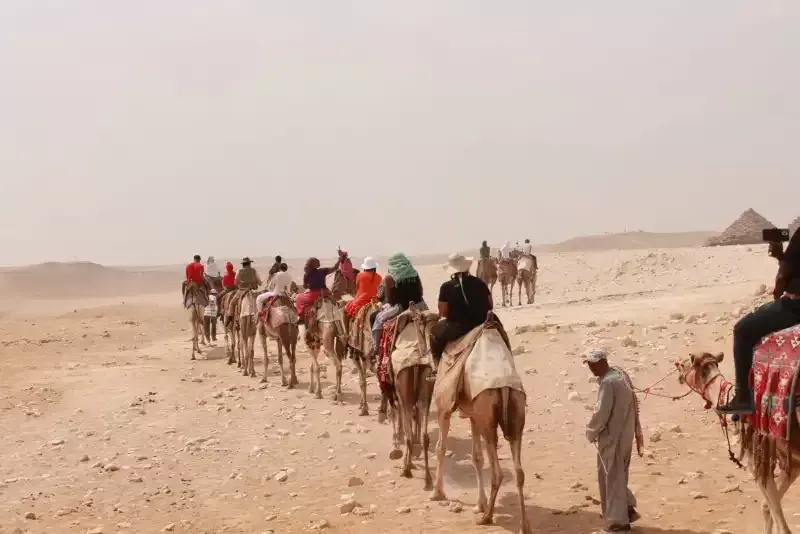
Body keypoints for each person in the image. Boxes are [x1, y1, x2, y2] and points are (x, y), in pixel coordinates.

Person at [717, 228, 800, 414]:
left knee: (742, 330)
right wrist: (782, 256)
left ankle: (743, 397)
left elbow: (784, 274)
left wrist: (779, 292)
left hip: (796, 306)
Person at [584, 348, 642, 532]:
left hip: (612, 438)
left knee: (611, 478)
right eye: (589, 365)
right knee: (618, 476)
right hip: (625, 436)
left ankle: (618, 523)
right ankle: (627, 509)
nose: (591, 368)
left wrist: (590, 431)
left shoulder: (608, 383)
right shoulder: (621, 374)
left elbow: (601, 413)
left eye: (594, 364)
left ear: (603, 362)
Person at [428, 253, 492, 377]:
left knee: (434, 334)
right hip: (483, 323)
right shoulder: (480, 282)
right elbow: (490, 304)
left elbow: (443, 312)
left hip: (458, 327)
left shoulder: (446, 287)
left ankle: (437, 369)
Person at [370, 252, 426, 356]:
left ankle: (376, 348)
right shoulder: (414, 273)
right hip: (420, 305)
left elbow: (390, 300)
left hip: (401, 308)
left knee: (377, 318)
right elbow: (421, 292)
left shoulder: (389, 277)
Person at [295, 252, 343, 320]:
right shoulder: (323, 271)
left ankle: (301, 316)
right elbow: (335, 267)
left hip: (313, 295)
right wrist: (340, 259)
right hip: (326, 292)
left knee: (298, 297)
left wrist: (310, 285)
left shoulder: (307, 274)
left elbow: (305, 287)